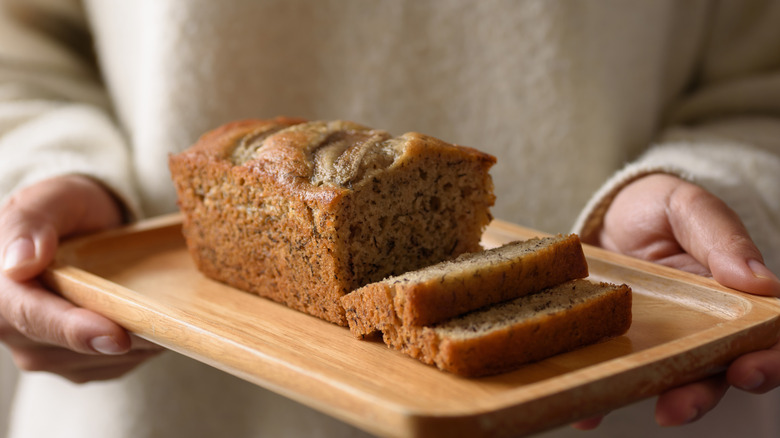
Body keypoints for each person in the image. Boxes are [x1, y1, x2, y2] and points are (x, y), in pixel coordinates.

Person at [1, 0, 779, 437]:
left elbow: (763, 88)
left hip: (623, 409)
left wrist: (712, 190)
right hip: (154, 406)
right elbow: (20, 55)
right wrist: (45, 173)